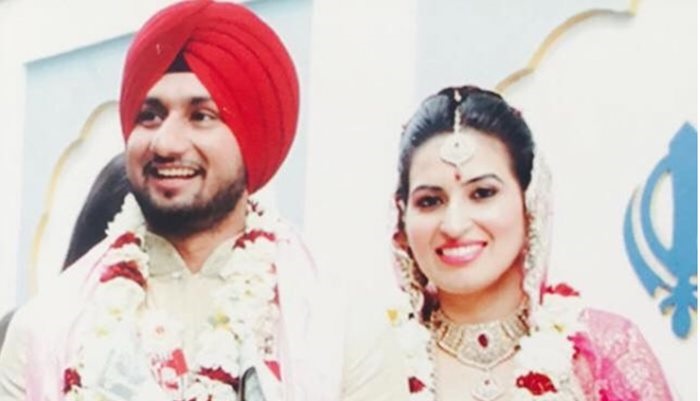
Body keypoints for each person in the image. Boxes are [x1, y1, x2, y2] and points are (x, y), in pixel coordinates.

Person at [0, 2, 407, 400]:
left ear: (253, 138)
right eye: (150, 115)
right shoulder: (47, 328)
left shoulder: (340, 322)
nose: (166, 143)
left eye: (202, 116)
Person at [388, 85, 674, 400]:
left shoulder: (602, 352)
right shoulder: (376, 357)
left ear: (530, 203)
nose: (454, 225)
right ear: (402, 218)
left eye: (482, 193)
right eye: (430, 201)